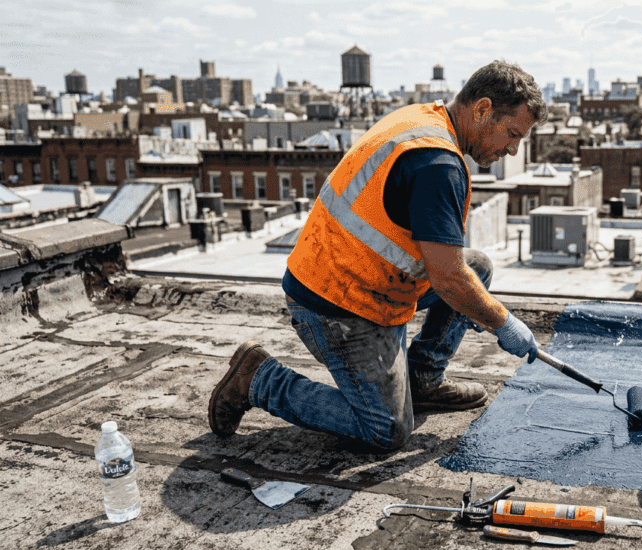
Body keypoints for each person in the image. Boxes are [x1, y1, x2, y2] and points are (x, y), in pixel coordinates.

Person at [208, 60, 547, 451]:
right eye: (512, 134)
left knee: (478, 268)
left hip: (354, 275)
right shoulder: (437, 164)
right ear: (483, 109)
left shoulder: (425, 118)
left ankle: (422, 382)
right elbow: (449, 279)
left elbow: (450, 268)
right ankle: (259, 378)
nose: (512, 148)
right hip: (337, 305)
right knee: (385, 430)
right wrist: (503, 323)